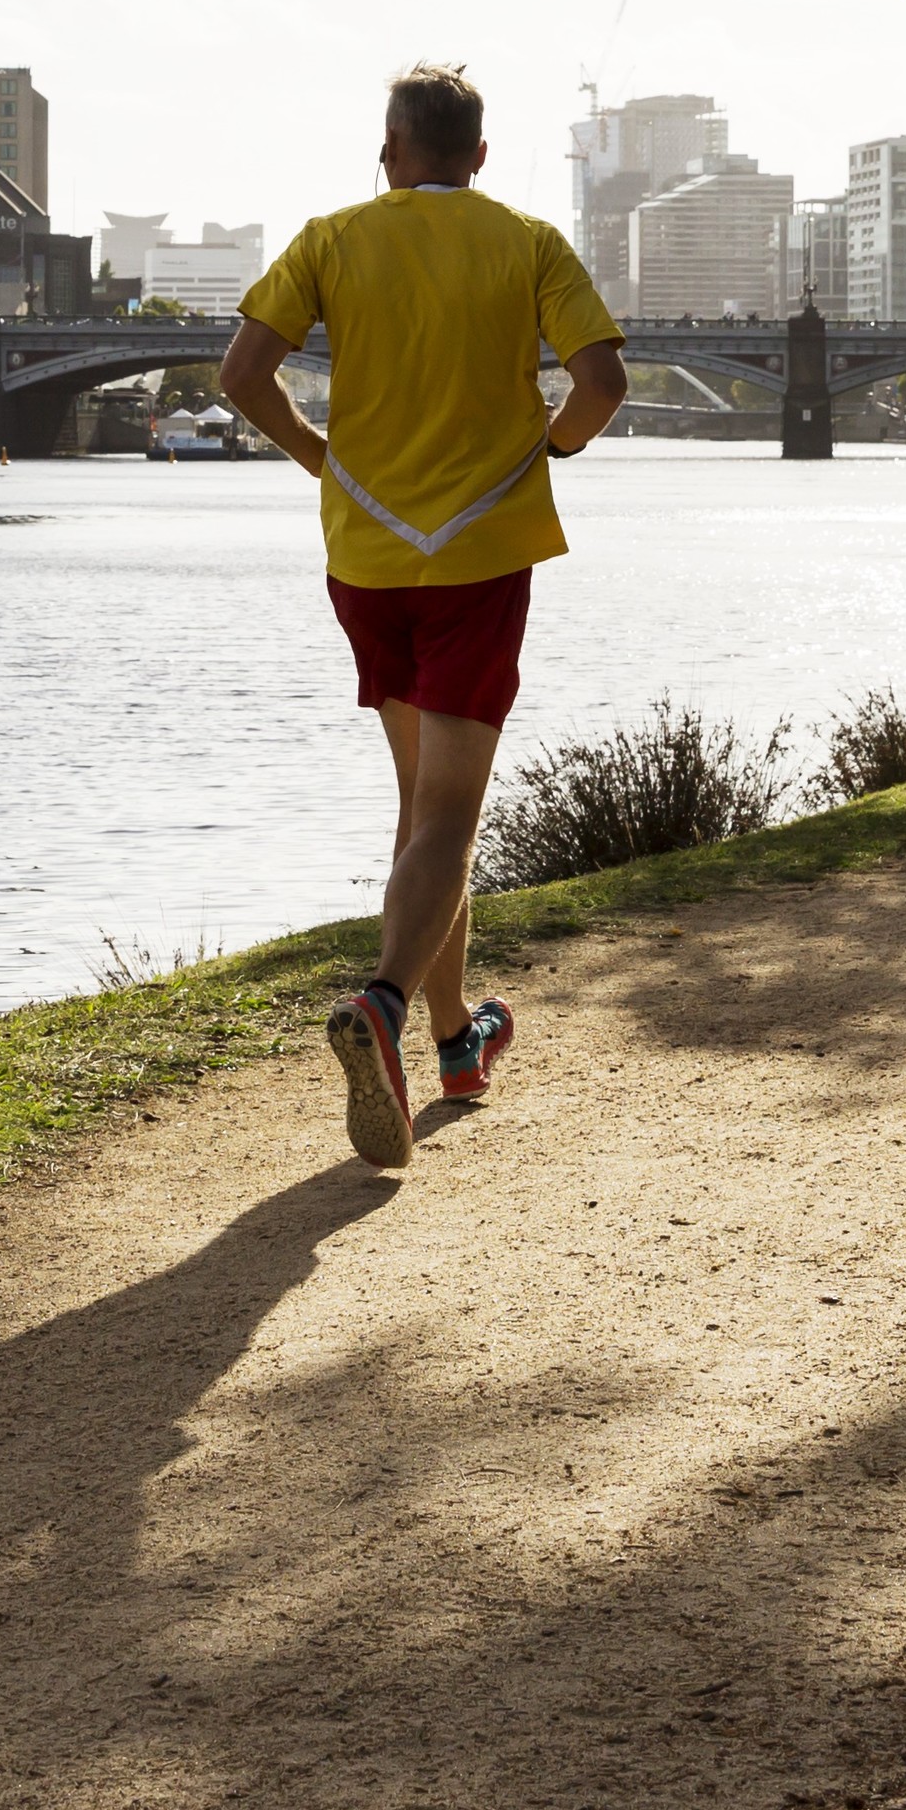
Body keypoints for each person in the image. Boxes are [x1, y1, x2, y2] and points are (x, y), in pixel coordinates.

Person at [223, 62, 630, 1171]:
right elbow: (598, 381)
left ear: (390, 148)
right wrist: (553, 447)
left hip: (364, 558)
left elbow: (242, 371)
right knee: (449, 814)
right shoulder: (526, 240)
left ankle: (458, 1040)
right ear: (479, 157)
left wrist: (320, 458)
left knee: (421, 814)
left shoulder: (331, 236)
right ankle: (385, 1006)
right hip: (479, 555)